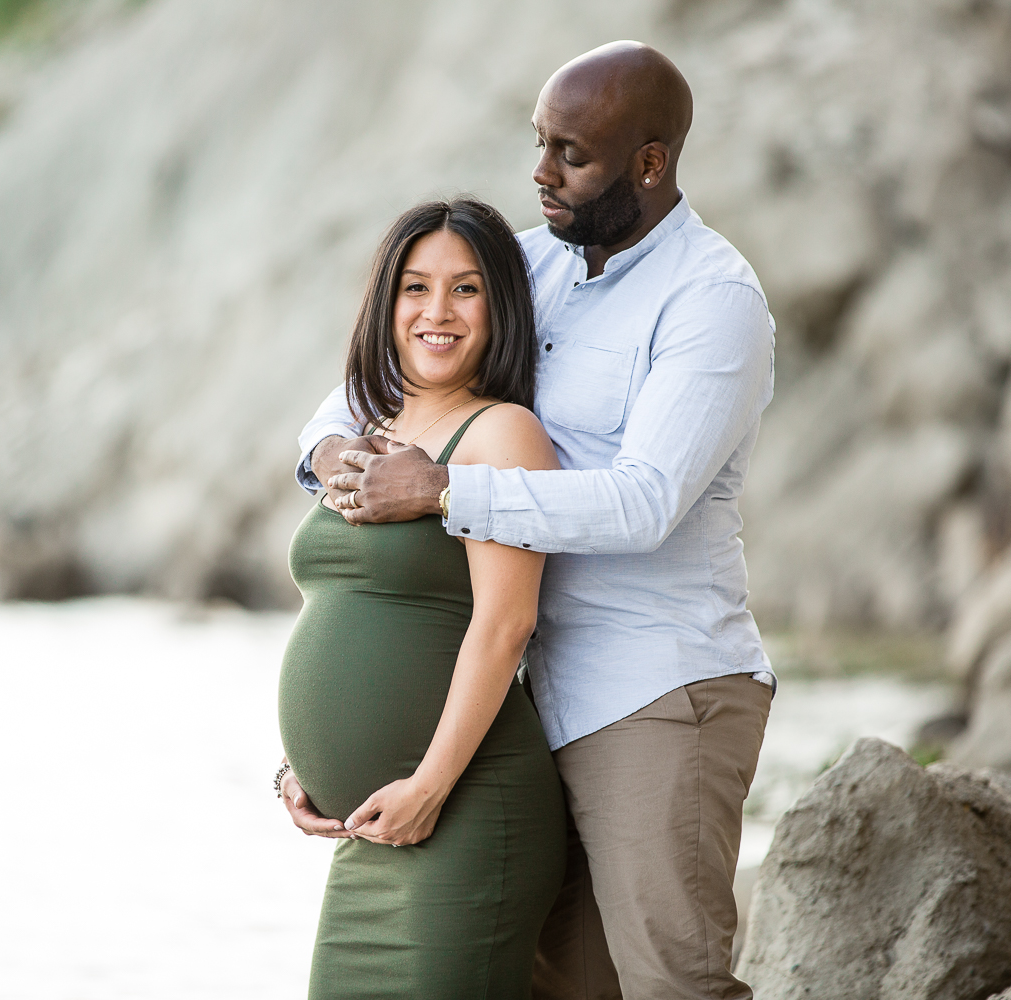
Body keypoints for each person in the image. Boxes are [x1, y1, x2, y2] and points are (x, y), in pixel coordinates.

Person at [286, 42, 776, 1000]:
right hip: (527, 703)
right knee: (564, 988)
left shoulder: (712, 302)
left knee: (671, 984)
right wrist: (331, 458)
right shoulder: (533, 260)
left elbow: (643, 501)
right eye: (539, 143)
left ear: (650, 160)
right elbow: (374, 390)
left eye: (571, 154)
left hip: (653, 692)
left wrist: (440, 492)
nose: (541, 173)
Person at [276, 197, 567, 999]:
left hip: (462, 812)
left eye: (466, 289)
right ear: (385, 302)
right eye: (415, 287)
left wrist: (429, 788)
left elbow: (506, 627)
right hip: (372, 823)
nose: (437, 311)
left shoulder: (501, 435)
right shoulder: (364, 429)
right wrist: (305, 763)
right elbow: (357, 615)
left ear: (499, 308)